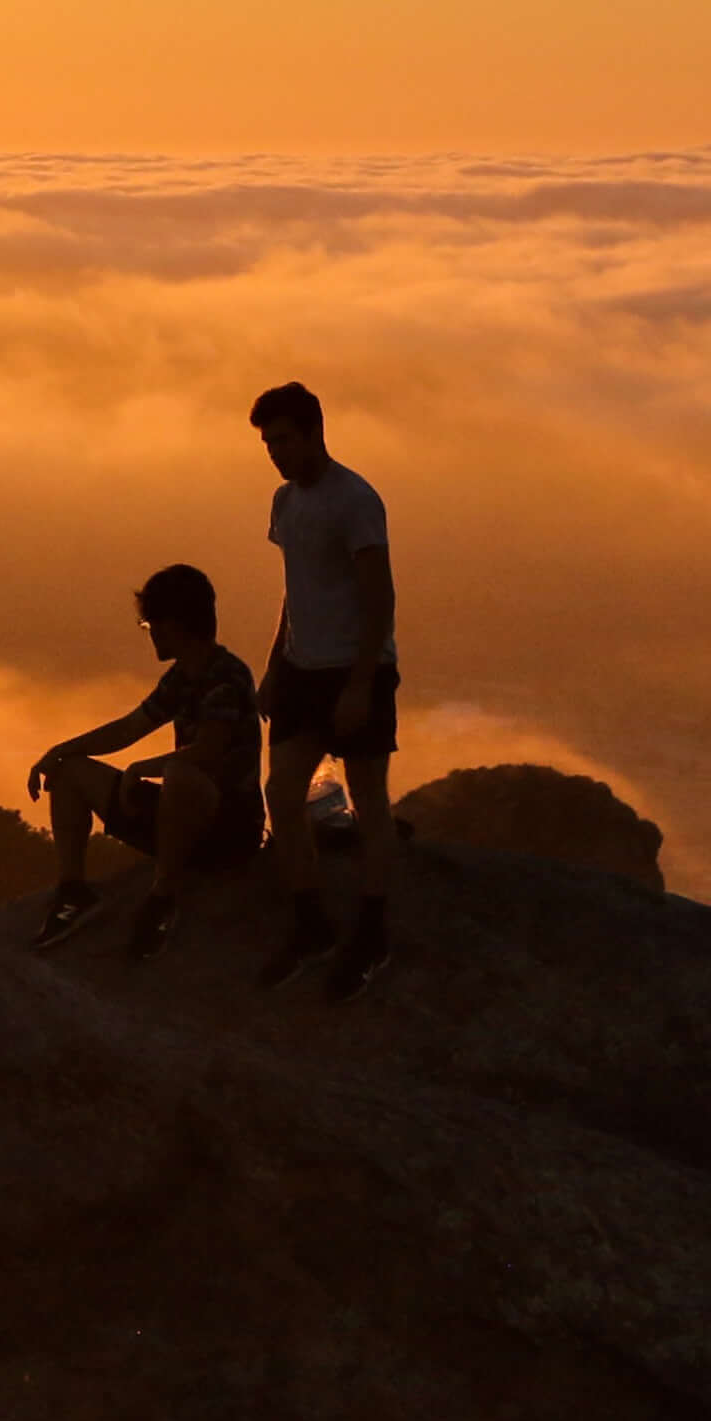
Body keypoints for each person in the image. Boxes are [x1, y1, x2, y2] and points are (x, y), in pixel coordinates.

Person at [245, 378, 402, 1001]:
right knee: (282, 792)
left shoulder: (356, 500)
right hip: (302, 670)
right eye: (268, 443)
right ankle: (311, 923)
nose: (276, 452)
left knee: (369, 802)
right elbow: (297, 586)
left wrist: (362, 683)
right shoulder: (285, 503)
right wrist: (274, 665)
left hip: (354, 668)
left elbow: (379, 595)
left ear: (315, 432)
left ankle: (372, 932)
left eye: (284, 439)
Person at [25, 563, 262, 960]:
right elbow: (129, 729)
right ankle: (73, 892)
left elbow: (208, 753)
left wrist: (142, 770)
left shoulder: (227, 677)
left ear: (175, 624)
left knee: (182, 774)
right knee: (71, 773)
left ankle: (162, 900)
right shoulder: (182, 676)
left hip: (228, 828)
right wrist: (59, 752)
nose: (149, 633)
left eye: (151, 624)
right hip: (179, 813)